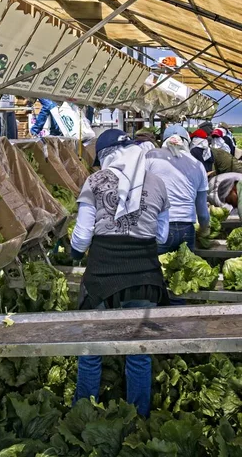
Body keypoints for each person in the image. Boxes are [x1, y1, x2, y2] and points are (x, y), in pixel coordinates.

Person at [71, 129, 170, 418]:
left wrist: (74, 254)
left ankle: (83, 415)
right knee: (138, 353)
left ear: (105, 156)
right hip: (144, 279)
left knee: (91, 350)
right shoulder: (157, 183)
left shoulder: (95, 181)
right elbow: (162, 237)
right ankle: (138, 420)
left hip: (102, 277)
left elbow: (81, 236)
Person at [146, 124, 210, 254]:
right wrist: (204, 229)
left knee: (157, 271)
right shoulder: (197, 165)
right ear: (187, 141)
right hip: (187, 228)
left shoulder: (151, 157)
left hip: (159, 226)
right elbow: (202, 210)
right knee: (185, 271)